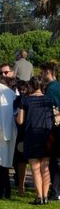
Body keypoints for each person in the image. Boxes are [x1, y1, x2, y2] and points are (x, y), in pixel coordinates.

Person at [16, 76, 55, 205]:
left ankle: (39, 197)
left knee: (35, 167)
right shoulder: (49, 99)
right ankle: (45, 196)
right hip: (47, 134)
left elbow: (20, 121)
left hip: (32, 134)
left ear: (30, 86)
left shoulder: (25, 100)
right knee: (45, 167)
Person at [40, 62, 60, 201]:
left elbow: (51, 109)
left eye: (42, 72)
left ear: (48, 72)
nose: (41, 75)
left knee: (54, 159)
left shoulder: (51, 89)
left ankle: (55, 190)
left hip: (55, 127)